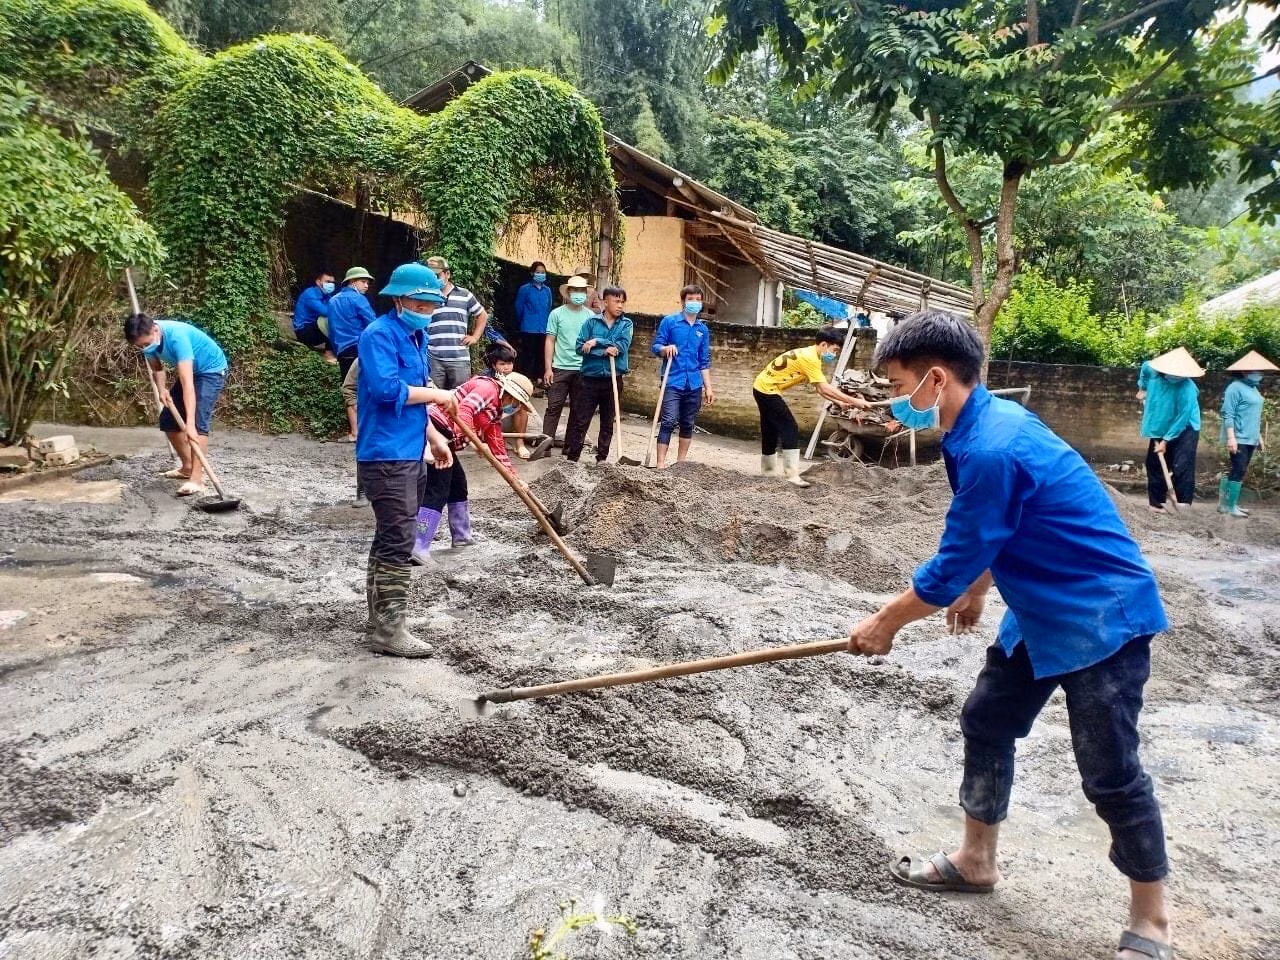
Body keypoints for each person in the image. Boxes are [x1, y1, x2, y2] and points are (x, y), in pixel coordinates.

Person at [847, 310, 1172, 960]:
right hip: (1041, 611)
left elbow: (947, 563)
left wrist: (885, 622)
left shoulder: (993, 445)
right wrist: (979, 587)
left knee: (1110, 774)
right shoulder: (976, 429)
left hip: (1100, 617)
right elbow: (1005, 529)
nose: (895, 399)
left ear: (935, 378)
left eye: (900, 382)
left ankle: (1153, 923)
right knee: (988, 718)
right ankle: (976, 861)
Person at [356, 262, 458, 658]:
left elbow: (412, 402)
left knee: (389, 534)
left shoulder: (418, 337)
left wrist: (434, 438)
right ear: (399, 299)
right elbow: (387, 391)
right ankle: (390, 630)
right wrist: (438, 397)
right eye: (419, 303)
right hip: (385, 454)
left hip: (410, 450)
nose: (426, 310)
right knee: (399, 538)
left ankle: (380, 618)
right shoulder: (378, 335)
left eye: (432, 305)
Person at [413, 371, 537, 563]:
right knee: (438, 489)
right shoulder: (487, 388)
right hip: (435, 431)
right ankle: (418, 545)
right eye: (517, 402)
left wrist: (515, 479)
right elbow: (464, 410)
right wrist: (475, 440)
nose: (516, 407)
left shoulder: (495, 412)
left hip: (448, 441)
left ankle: (462, 537)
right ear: (510, 395)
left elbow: (498, 449)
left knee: (458, 486)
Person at [124, 313, 228, 498]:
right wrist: (162, 389)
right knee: (168, 421)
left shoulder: (177, 337)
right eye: (140, 346)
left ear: (155, 330)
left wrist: (189, 425)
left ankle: (197, 480)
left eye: (146, 344)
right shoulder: (148, 342)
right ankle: (187, 467)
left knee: (197, 424)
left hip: (210, 371)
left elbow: (188, 385)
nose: (144, 348)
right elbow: (157, 368)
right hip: (193, 372)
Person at [752, 327, 868, 487]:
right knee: (790, 428)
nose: (834, 355)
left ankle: (768, 471)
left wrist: (840, 402)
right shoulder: (810, 358)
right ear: (824, 344)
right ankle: (792, 475)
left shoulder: (810, 354)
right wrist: (855, 401)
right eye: (834, 350)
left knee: (770, 428)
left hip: (761, 387)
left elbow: (819, 389)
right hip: (767, 390)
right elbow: (825, 387)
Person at [564, 286, 633, 463]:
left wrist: (596, 341)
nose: (620, 305)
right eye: (617, 301)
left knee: (607, 422)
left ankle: (602, 458)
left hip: (613, 379)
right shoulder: (591, 323)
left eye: (622, 302)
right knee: (581, 420)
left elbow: (622, 346)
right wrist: (602, 351)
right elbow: (580, 347)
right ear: (605, 302)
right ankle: (573, 458)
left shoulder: (626, 324)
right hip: (589, 379)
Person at [651, 284, 716, 468]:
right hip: (672, 380)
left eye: (697, 299)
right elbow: (656, 347)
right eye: (690, 299)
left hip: (694, 384)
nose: (694, 303)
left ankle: (681, 464)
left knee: (688, 423)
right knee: (669, 420)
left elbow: (704, 360)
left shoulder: (702, 330)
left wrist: (708, 387)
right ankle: (661, 464)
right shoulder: (670, 322)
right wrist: (665, 349)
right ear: (682, 301)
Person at [1139, 347, 1203, 512]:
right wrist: (1142, 388)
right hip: (1160, 422)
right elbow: (1144, 371)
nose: (1177, 376)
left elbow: (1182, 417)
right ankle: (1157, 503)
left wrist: (1166, 440)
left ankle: (1182, 504)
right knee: (1154, 463)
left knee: (1182, 464)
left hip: (1186, 427)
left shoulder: (1187, 388)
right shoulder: (1151, 370)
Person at [1218, 349, 1276, 517]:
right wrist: (1231, 438)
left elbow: (1254, 415)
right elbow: (1228, 414)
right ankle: (1229, 506)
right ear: (1244, 371)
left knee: (1239, 470)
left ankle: (1227, 504)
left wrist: (1259, 437)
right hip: (1239, 437)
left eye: (1260, 371)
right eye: (1256, 370)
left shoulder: (1254, 388)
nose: (1259, 374)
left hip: (1250, 437)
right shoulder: (1234, 388)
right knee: (1238, 469)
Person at [543, 274, 594, 448]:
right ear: (569, 292)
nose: (579, 293)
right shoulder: (556, 314)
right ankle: (546, 444)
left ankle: (570, 447)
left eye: (582, 290)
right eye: (576, 290)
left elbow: (595, 341)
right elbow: (550, 340)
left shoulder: (590, 316)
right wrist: (548, 368)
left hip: (583, 369)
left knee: (578, 410)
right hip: (559, 368)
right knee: (553, 407)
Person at [424, 255, 489, 389]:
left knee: (460, 398)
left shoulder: (464, 294)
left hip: (459, 358)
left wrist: (475, 337)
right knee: (433, 400)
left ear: (447, 274)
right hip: (433, 358)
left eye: (437, 275)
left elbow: (482, 315)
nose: (433, 279)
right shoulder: (426, 296)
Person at [328, 266, 377, 441]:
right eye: (363, 281)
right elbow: (372, 326)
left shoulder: (333, 301)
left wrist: (335, 349)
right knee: (368, 388)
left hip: (342, 350)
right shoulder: (359, 300)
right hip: (361, 348)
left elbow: (331, 330)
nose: (366, 285)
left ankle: (354, 433)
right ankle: (370, 432)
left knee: (349, 389)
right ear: (352, 282)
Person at [485, 342, 542, 460]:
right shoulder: (487, 379)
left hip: (508, 415)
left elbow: (519, 404)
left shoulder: (516, 379)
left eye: (509, 363)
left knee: (521, 408)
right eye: (502, 364)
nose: (506, 367)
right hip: (489, 418)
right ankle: (497, 441)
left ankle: (519, 444)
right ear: (494, 366)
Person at [513, 260, 553, 381]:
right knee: (528, 354)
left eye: (543, 272)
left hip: (543, 327)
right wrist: (522, 322)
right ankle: (527, 378)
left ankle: (539, 379)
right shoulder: (525, 289)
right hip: (528, 327)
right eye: (538, 272)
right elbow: (518, 307)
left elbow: (549, 306)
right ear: (532, 273)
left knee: (541, 354)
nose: (540, 274)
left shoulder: (547, 290)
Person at [292, 270, 336, 363]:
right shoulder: (310, 294)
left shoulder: (327, 296)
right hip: (304, 332)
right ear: (318, 282)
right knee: (333, 320)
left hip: (315, 330)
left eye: (332, 282)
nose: (331, 285)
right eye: (327, 282)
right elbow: (326, 311)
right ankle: (328, 354)